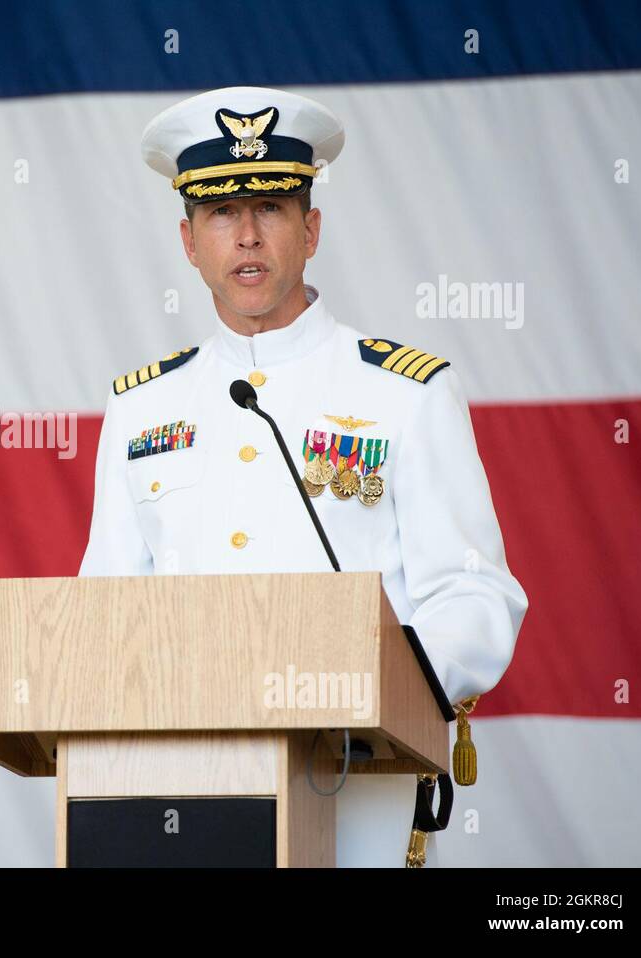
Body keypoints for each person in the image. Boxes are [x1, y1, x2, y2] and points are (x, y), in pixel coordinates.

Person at [78, 86, 528, 866]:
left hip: (354, 789)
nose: (246, 236)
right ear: (189, 241)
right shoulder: (138, 408)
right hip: (177, 793)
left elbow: (475, 595)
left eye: (272, 209)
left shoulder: (406, 393)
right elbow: (108, 609)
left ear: (311, 229)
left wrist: (368, 682)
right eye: (222, 214)